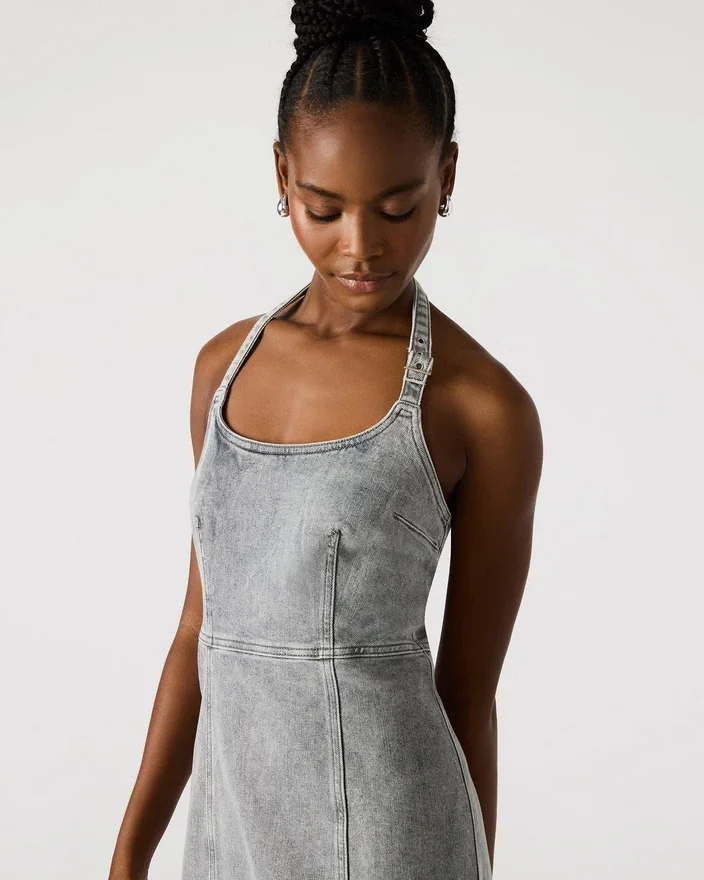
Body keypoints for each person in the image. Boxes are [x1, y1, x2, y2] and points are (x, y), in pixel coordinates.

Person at [108, 2, 543, 878]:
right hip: (230, 835)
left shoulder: (481, 407)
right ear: (282, 173)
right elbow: (200, 633)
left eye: (398, 208)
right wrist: (128, 858)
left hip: (393, 837)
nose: (361, 247)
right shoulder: (221, 369)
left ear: (447, 175)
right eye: (323, 208)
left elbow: (469, 695)